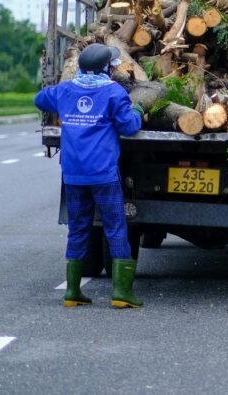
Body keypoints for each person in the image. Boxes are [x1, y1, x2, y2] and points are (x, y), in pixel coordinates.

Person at [34, 44, 145, 308]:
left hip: (73, 176)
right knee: (115, 229)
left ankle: (72, 292)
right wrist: (138, 112)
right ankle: (121, 293)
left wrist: (66, 100)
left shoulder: (65, 90)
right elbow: (128, 127)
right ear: (106, 68)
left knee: (79, 228)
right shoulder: (113, 92)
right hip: (103, 175)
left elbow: (40, 99)